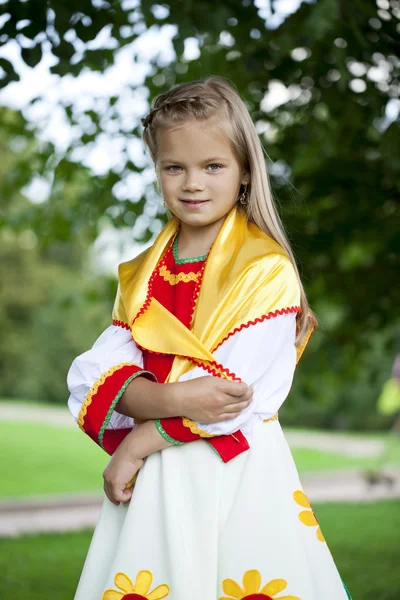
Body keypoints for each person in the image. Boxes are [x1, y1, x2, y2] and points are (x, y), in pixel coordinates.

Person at [67, 76, 352, 600]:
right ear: (157, 172)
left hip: (235, 471)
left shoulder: (263, 270)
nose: (192, 182)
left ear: (244, 172)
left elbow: (232, 397)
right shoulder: (143, 274)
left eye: (213, 166)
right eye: (174, 166)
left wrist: (137, 440)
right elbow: (95, 376)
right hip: (161, 478)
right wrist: (172, 397)